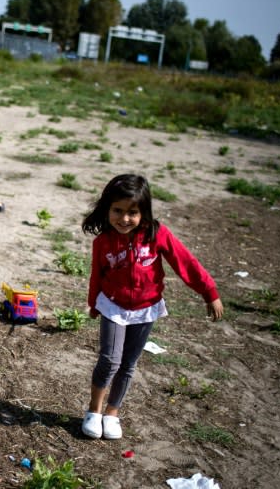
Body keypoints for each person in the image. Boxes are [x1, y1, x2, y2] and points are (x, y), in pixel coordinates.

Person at [80, 174, 223, 440]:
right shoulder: (103, 242)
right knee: (109, 360)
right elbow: (96, 274)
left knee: (128, 364)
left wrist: (209, 292)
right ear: (107, 209)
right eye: (117, 211)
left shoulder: (157, 234)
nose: (124, 219)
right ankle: (94, 410)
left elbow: (185, 263)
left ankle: (112, 413)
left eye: (132, 212)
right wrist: (94, 303)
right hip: (113, 305)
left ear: (144, 212)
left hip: (146, 308)